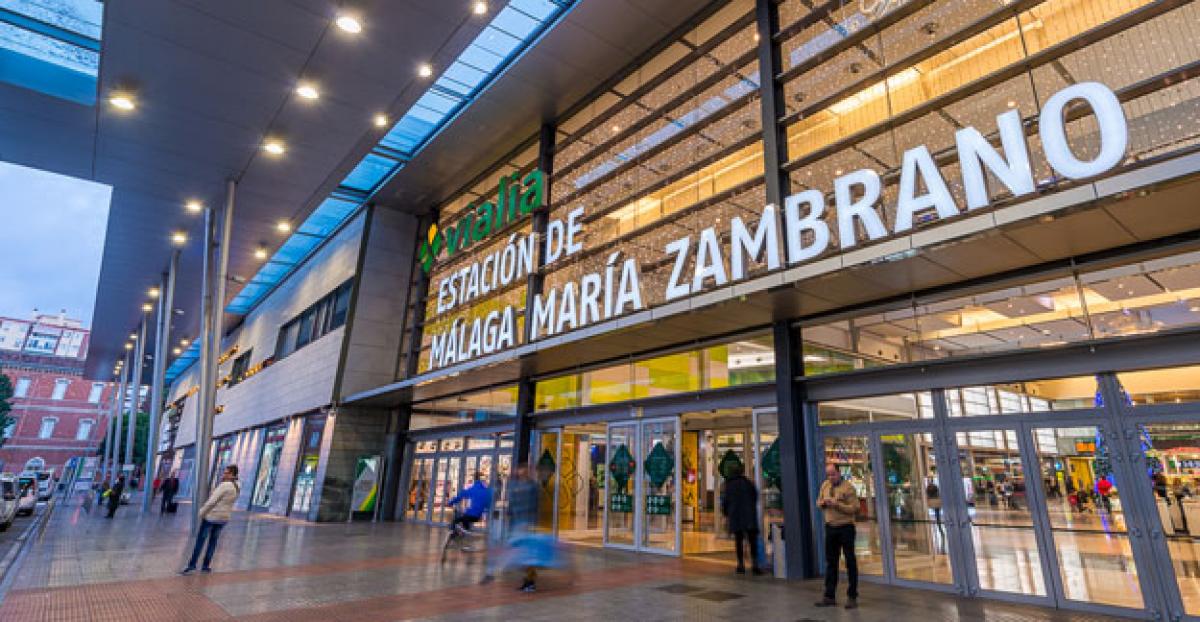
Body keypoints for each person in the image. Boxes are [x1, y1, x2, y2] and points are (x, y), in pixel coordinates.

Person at [181, 465, 239, 574]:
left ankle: (192, 565)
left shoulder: (224, 485)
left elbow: (212, 501)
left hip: (212, 517)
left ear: (232, 474)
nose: (224, 475)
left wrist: (201, 512)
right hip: (223, 518)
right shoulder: (237, 486)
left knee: (200, 541)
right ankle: (206, 566)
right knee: (213, 542)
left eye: (226, 473)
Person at [815, 464, 859, 610]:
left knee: (850, 561)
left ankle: (852, 596)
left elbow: (854, 508)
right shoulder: (825, 486)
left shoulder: (848, 488)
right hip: (831, 528)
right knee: (831, 562)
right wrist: (823, 503)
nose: (830, 477)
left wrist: (837, 505)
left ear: (839, 473)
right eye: (828, 474)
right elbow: (818, 502)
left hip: (845, 527)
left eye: (833, 474)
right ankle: (829, 596)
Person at [504, 464, 542, 592]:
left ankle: (530, 581)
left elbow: (535, 506)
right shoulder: (516, 486)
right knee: (521, 554)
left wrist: (532, 524)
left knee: (527, 554)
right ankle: (528, 580)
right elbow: (512, 504)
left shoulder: (532, 486)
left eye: (524, 470)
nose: (521, 472)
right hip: (517, 524)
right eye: (520, 470)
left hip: (526, 524)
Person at [721, 464, 762, 575]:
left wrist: (726, 514)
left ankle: (741, 565)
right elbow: (755, 497)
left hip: (736, 517)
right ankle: (755, 565)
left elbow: (725, 502)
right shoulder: (748, 483)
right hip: (749, 517)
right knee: (752, 541)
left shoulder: (729, 485)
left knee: (738, 541)